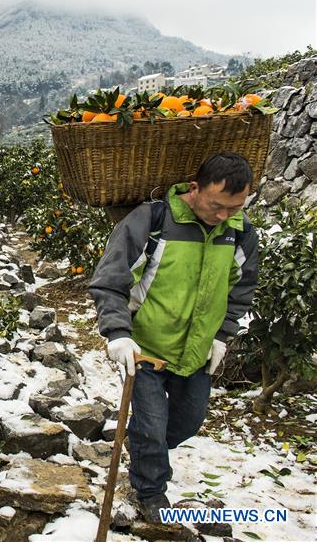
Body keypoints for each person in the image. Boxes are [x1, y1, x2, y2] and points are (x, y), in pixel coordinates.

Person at [89, 152, 259, 522]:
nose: (222, 216)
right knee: (151, 425)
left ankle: (143, 451)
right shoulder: (153, 221)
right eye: (216, 206)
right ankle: (150, 492)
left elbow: (241, 289)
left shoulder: (240, 233)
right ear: (194, 188)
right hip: (146, 349)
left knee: (187, 422)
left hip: (196, 350)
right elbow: (110, 278)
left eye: (234, 208)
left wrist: (222, 335)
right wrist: (117, 331)